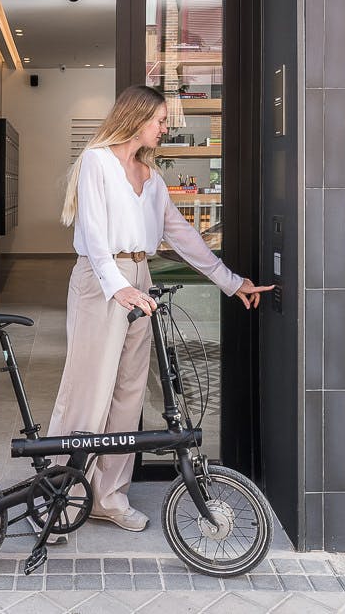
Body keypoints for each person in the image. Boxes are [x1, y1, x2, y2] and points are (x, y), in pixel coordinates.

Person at [45, 84, 273, 534]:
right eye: (161, 120)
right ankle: (61, 498)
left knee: (129, 393)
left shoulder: (150, 178)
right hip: (101, 279)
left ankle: (109, 497)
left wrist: (231, 282)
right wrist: (118, 288)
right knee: (88, 392)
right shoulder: (97, 162)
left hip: (139, 276)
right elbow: (94, 234)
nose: (165, 128)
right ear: (136, 118)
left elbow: (183, 236)